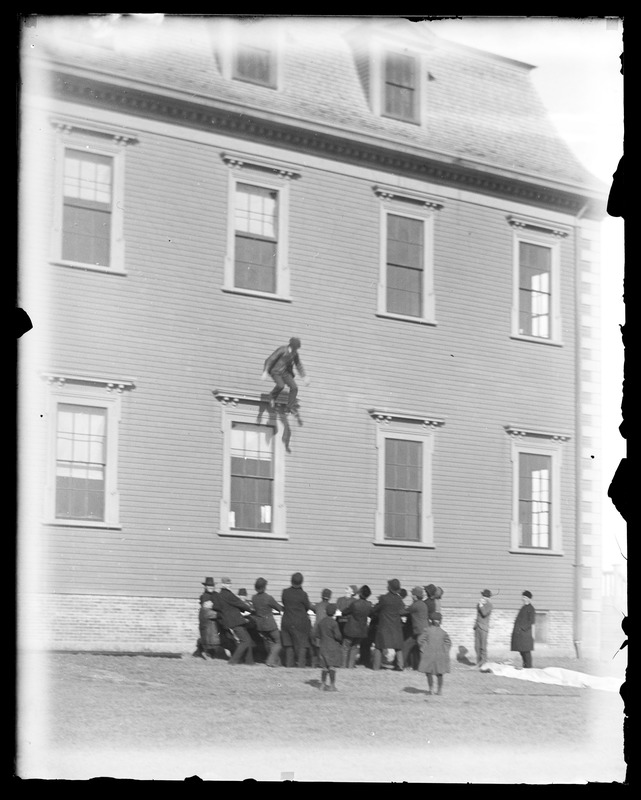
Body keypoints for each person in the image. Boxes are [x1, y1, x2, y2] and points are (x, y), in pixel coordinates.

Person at [261, 337, 310, 414]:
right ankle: (272, 397)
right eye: (295, 348)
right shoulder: (282, 350)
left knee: (294, 387)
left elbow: (298, 365)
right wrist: (265, 371)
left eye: (297, 349)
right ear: (291, 346)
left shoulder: (295, 354)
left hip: (285, 373)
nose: (296, 350)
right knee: (281, 385)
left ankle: (289, 407)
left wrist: (304, 377)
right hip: (276, 371)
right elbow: (270, 359)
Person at [217, 577, 255, 665]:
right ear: (223, 584)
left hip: (229, 621)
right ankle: (233, 661)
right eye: (227, 584)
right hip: (235, 621)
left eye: (229, 584)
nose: (229, 585)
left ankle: (249, 662)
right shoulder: (228, 594)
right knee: (245, 641)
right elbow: (239, 603)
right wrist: (250, 609)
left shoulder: (220, 594)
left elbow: (231, 605)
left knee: (247, 639)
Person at [370, 579, 406, 671]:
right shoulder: (399, 599)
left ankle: (376, 667)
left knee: (379, 646)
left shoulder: (384, 598)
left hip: (384, 626)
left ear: (389, 588)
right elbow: (402, 611)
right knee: (398, 647)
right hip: (396, 626)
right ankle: (400, 666)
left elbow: (375, 609)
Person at [281, 572, 314, 667]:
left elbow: (284, 603)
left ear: (291, 580)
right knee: (302, 644)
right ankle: (301, 665)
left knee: (289, 644)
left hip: (287, 620)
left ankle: (289, 664)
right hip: (300, 621)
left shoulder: (285, 592)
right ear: (301, 582)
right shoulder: (303, 594)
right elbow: (307, 607)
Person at [251, 577, 284, 667]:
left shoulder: (253, 598)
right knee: (279, 642)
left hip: (260, 625)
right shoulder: (268, 598)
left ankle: (277, 663)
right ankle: (270, 661)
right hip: (269, 624)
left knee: (270, 642)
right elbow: (279, 608)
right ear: (264, 587)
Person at [417, 612, 452, 695]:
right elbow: (448, 643)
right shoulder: (443, 632)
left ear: (430, 620)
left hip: (429, 654)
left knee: (428, 672)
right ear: (440, 621)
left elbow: (420, 640)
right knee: (440, 673)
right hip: (440, 655)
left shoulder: (427, 630)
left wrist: (424, 648)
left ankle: (431, 689)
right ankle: (439, 690)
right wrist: (444, 650)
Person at [341, 585, 373, 668]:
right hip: (361, 630)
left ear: (360, 593)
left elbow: (344, 612)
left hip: (351, 628)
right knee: (354, 647)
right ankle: (351, 666)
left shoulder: (355, 603)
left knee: (345, 647)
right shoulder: (369, 605)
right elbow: (371, 614)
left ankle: (344, 665)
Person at [315, 603, 342, 691]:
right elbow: (338, 636)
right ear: (334, 613)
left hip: (323, 646)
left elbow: (317, 635)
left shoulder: (321, 622)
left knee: (324, 667)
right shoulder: (334, 623)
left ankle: (322, 685)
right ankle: (332, 685)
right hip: (332, 647)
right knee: (332, 667)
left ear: (326, 612)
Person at [402, 586, 429, 670]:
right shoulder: (423, 604)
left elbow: (403, 612)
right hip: (422, 630)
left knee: (420, 649)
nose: (411, 596)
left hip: (419, 631)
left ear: (415, 596)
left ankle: (401, 665)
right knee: (408, 646)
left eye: (412, 594)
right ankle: (405, 665)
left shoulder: (416, 605)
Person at [511, 590, 536, 668]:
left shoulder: (531, 608)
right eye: (523, 597)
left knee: (526, 651)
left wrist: (522, 628)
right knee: (521, 650)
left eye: (525, 597)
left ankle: (528, 667)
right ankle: (525, 665)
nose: (523, 598)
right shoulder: (523, 607)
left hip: (525, 634)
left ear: (529, 598)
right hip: (520, 633)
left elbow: (531, 621)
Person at [311, 589, 332, 668]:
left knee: (315, 648)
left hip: (316, 629)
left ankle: (314, 663)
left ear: (321, 596)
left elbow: (311, 607)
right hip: (325, 631)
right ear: (329, 597)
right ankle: (323, 663)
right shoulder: (330, 607)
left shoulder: (317, 606)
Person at [473, 589, 493, 667]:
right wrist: (480, 604)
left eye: (485, 596)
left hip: (484, 628)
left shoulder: (490, 605)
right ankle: (478, 663)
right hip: (477, 627)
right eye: (483, 596)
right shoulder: (480, 603)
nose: (483, 597)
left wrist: (481, 605)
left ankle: (484, 663)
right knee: (476, 646)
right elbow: (477, 610)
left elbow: (484, 613)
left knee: (483, 647)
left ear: (488, 597)